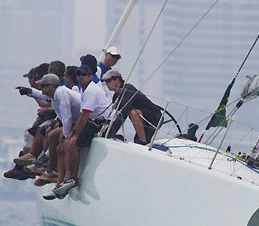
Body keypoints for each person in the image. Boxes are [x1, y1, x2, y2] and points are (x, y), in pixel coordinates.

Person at [55, 64, 113, 194]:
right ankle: (64, 177)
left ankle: (73, 178)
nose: (81, 77)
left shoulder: (91, 90)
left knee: (73, 143)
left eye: (84, 75)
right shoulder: (83, 90)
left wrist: (74, 134)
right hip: (91, 119)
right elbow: (83, 116)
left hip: (100, 122)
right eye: (79, 74)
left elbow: (85, 115)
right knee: (64, 142)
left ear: (90, 77)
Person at [22, 74, 81, 195]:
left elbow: (68, 117)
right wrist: (30, 92)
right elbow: (41, 94)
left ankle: (65, 179)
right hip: (73, 122)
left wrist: (65, 136)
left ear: (51, 86)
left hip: (83, 122)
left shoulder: (61, 93)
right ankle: (49, 166)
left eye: (43, 86)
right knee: (52, 135)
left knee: (61, 146)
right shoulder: (55, 96)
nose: (41, 88)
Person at [102, 70, 162, 145]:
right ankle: (142, 142)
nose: (106, 83)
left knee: (132, 113)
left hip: (154, 117)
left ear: (117, 79)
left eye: (108, 80)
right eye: (105, 81)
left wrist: (111, 133)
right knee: (136, 140)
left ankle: (142, 142)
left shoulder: (128, 89)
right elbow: (117, 115)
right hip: (141, 117)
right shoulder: (115, 97)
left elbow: (124, 112)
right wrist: (106, 131)